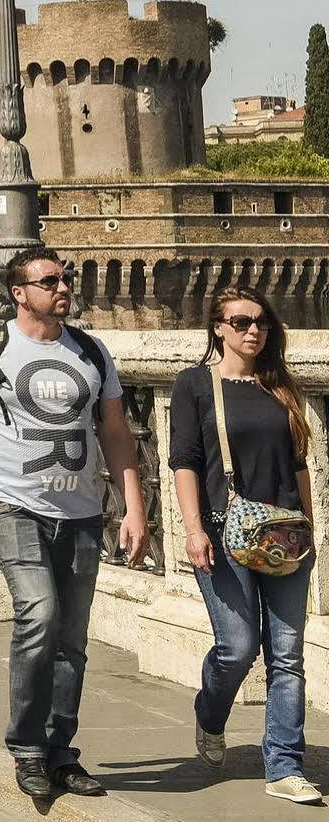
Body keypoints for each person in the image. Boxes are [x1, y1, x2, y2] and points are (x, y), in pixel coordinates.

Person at [0, 246, 147, 801]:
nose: (62, 287)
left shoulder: (92, 351)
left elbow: (116, 434)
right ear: (19, 292)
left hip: (82, 510)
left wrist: (135, 506)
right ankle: (26, 748)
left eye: (65, 278)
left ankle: (60, 751)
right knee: (40, 616)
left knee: (72, 639)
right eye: (49, 281)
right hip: (11, 503)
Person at [168, 288, 320, 803]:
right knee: (236, 648)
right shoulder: (195, 384)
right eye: (240, 322)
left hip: (285, 535)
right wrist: (192, 529)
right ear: (218, 327)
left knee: (287, 654)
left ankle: (283, 764)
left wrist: (310, 529)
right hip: (223, 533)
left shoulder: (280, 387)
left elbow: (299, 464)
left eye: (261, 323)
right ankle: (210, 715)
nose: (253, 330)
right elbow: (184, 461)